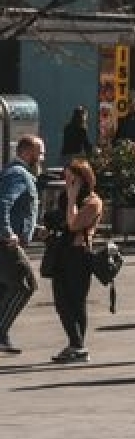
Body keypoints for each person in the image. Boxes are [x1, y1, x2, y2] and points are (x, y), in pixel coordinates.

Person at [45, 158, 105, 363]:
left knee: (76, 301)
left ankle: (78, 345)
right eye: (66, 177)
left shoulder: (92, 201)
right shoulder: (64, 198)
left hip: (78, 255)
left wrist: (71, 199)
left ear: (82, 179)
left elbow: (73, 224)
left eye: (71, 178)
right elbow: (56, 220)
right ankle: (75, 344)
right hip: (61, 252)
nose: (67, 182)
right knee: (61, 300)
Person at [0, 136, 41, 355]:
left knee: (6, 287)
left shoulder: (17, 173)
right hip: (5, 243)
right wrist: (8, 233)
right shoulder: (18, 174)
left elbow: (19, 209)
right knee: (26, 284)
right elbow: (4, 203)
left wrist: (35, 228)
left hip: (7, 239)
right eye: (39, 152)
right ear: (27, 152)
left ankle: (3, 335)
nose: (41, 157)